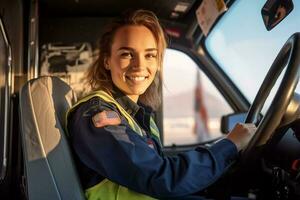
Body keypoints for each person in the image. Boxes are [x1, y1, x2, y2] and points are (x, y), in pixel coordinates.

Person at [67, 9, 256, 200]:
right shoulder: (97, 114)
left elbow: (159, 171)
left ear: (158, 62)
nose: (139, 65)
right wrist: (230, 145)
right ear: (107, 61)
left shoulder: (137, 114)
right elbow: (162, 178)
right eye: (127, 54)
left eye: (150, 55)